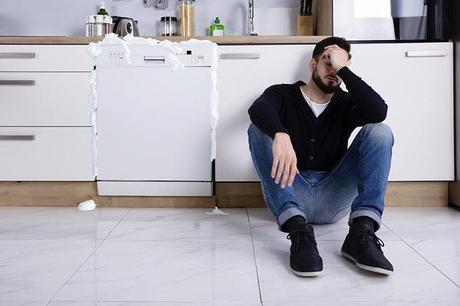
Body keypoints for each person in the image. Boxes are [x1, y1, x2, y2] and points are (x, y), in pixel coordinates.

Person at [247, 37, 394, 277]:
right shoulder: (283, 93)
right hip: (291, 191)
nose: (333, 70)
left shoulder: (347, 103)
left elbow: (378, 111)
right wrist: (280, 134)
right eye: (328, 62)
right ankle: (298, 233)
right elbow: (258, 109)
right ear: (312, 64)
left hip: (333, 197)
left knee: (380, 131)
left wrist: (344, 69)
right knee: (258, 129)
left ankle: (361, 233)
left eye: (339, 65)